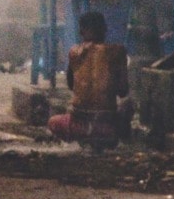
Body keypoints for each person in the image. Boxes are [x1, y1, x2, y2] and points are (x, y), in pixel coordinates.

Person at [48, 9, 130, 149]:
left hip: (77, 126)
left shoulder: (74, 52)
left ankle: (83, 139)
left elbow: (71, 85)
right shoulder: (118, 51)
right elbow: (123, 91)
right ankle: (111, 139)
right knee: (128, 105)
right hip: (107, 127)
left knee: (53, 121)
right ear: (105, 29)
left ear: (81, 32)